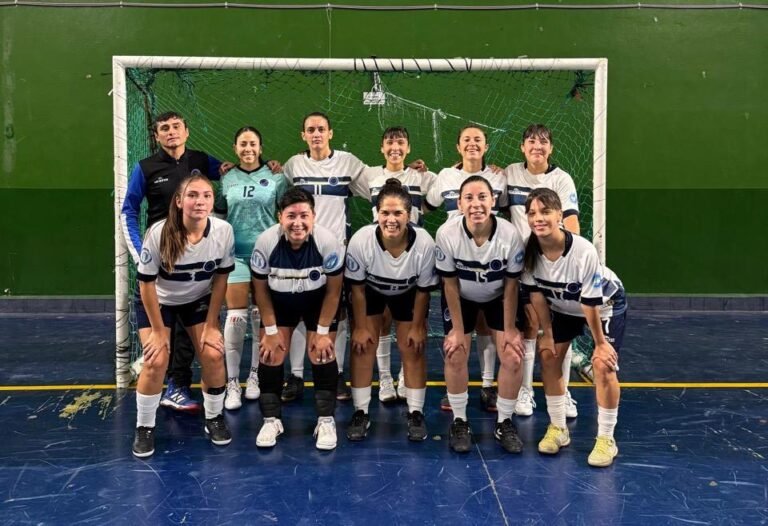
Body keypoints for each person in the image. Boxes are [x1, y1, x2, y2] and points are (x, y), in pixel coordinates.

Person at [121, 111, 226, 412]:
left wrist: (268, 167)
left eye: (176, 126)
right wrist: (141, 253)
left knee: (191, 324)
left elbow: (234, 171)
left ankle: (182, 385)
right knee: (168, 327)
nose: (171, 132)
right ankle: (168, 385)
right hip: (163, 258)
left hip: (197, 256)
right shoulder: (146, 168)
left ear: (186, 131)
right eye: (164, 128)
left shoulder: (201, 160)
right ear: (156, 136)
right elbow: (129, 210)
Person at [522, 188, 626, 467]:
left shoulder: (582, 250)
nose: (538, 218)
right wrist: (546, 334)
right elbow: (536, 296)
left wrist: (600, 344)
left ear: (559, 215)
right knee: (549, 355)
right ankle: (558, 427)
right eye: (532, 213)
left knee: (602, 364)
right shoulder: (528, 251)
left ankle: (606, 438)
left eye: (545, 212)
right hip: (561, 306)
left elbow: (590, 302)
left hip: (603, 305)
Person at [132, 175, 234, 457]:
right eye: (192, 195)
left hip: (197, 299)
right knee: (156, 359)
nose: (200, 201)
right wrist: (158, 331)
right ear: (179, 201)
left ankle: (214, 418)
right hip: (158, 301)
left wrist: (212, 324)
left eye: (206, 196)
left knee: (213, 354)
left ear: (212, 201)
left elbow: (221, 280)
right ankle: (144, 427)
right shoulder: (158, 233)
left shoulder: (223, 231)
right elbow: (145, 284)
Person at [435, 175, 526, 454]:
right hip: (462, 297)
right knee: (455, 352)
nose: (476, 204)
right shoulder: (446, 234)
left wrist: (509, 328)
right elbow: (449, 284)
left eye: (482, 197)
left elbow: (511, 285)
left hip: (499, 296)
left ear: (493, 201)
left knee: (512, 355)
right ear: (459, 204)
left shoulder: (510, 234)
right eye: (469, 198)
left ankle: (504, 422)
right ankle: (460, 421)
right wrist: (457, 330)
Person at [250, 187, 344, 450]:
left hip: (318, 301)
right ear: (280, 217)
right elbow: (260, 290)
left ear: (314, 217)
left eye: (304, 215)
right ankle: (271, 421)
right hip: (280, 302)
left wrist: (323, 332)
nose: (298, 222)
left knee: (322, 353)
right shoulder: (266, 242)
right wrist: (270, 331)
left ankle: (326, 421)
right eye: (291, 216)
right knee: (271, 354)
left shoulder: (327, 242)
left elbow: (335, 291)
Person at [345, 179, 438, 441]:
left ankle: (416, 412)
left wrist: (418, 327)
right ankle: (361, 412)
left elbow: (423, 291)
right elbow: (357, 289)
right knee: (362, 346)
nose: (391, 219)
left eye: (398, 213)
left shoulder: (424, 243)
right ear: (377, 214)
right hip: (371, 291)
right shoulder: (361, 240)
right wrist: (360, 328)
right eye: (385, 212)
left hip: (409, 292)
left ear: (409, 215)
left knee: (413, 347)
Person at [426, 125, 508, 413]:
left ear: (486, 146)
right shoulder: (445, 176)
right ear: (458, 147)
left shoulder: (499, 177)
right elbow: (426, 206)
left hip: (489, 264)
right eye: (466, 140)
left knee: (486, 325)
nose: (472, 143)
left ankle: (487, 385)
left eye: (478, 139)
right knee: (457, 329)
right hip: (455, 263)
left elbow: (507, 212)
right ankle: (455, 389)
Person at [355, 126, 436, 402]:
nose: (395, 148)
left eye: (401, 143)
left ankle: (404, 375)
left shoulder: (422, 177)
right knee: (381, 322)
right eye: (389, 143)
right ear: (381, 148)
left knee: (411, 326)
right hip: (379, 258)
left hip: (411, 261)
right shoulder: (369, 175)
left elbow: (442, 193)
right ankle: (385, 378)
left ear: (408, 148)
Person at [506, 124, 581, 418]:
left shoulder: (562, 179)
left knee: (561, 330)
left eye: (543, 142)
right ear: (522, 147)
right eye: (531, 141)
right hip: (524, 266)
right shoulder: (510, 173)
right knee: (529, 326)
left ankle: (563, 392)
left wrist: (567, 260)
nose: (537, 146)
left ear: (551, 148)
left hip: (555, 264)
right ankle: (525, 390)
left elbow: (571, 222)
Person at [216, 126, 289, 411]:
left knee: (262, 316)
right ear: (235, 148)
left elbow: (285, 215)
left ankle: (255, 374)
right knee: (235, 317)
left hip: (265, 255)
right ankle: (233, 381)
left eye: (253, 144)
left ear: (261, 147)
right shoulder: (226, 178)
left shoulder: (276, 177)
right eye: (243, 144)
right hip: (235, 256)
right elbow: (219, 217)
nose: (248, 149)